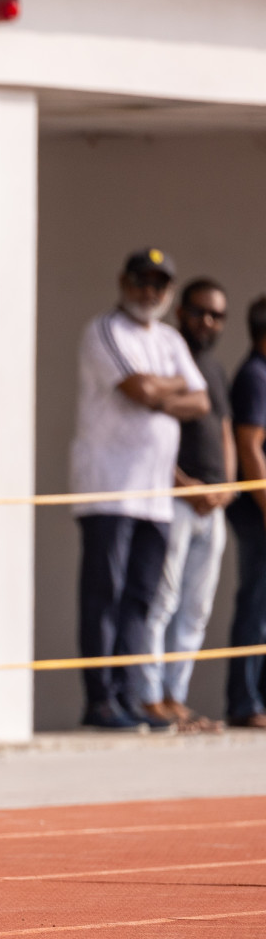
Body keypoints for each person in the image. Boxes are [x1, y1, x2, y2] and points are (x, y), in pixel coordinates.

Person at [70, 249, 209, 731]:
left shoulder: (170, 338)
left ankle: (130, 696)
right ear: (122, 281)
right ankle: (101, 700)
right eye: (141, 280)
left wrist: (160, 387)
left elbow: (202, 400)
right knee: (104, 597)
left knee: (142, 600)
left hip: (156, 496)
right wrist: (168, 389)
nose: (150, 291)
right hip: (109, 488)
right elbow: (140, 393)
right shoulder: (105, 329)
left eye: (159, 283)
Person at [138, 279, 233, 733]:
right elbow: (153, 431)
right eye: (199, 312)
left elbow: (227, 430)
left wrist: (228, 487)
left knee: (196, 608)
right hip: (175, 501)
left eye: (216, 315)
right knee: (163, 601)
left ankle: (178, 697)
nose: (207, 322)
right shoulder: (171, 363)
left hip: (213, 506)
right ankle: (151, 699)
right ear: (181, 313)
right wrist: (186, 486)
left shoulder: (213, 371)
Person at [226, 295, 266, 729]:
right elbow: (250, 446)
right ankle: (246, 702)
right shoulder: (256, 375)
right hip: (258, 513)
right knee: (256, 607)